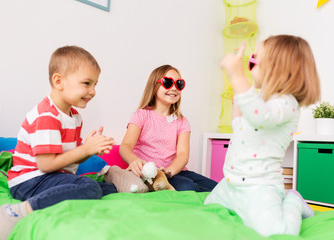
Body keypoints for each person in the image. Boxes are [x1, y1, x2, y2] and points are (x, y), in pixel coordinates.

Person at [0, 46, 116, 240]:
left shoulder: (74, 117)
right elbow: (46, 164)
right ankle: (16, 213)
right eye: (86, 83)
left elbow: (70, 156)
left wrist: (90, 148)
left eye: (95, 85)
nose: (92, 91)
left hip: (50, 177)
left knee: (108, 189)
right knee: (90, 188)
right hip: (30, 181)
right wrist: (85, 149)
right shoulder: (47, 115)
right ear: (58, 81)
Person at [204, 35, 321, 236]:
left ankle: (292, 200)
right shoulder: (259, 100)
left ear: (277, 69)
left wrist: (238, 77)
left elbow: (260, 117)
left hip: (258, 186)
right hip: (231, 184)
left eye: (253, 62)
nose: (249, 67)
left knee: (281, 233)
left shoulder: (287, 104)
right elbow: (240, 127)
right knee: (207, 210)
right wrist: (238, 101)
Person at [119, 64, 218, 192]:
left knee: (218, 188)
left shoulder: (182, 121)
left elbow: (183, 155)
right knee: (188, 187)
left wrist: (169, 171)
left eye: (179, 84)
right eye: (168, 83)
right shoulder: (141, 115)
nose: (174, 88)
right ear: (154, 86)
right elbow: (125, 146)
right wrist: (135, 161)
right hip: (150, 175)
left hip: (173, 171)